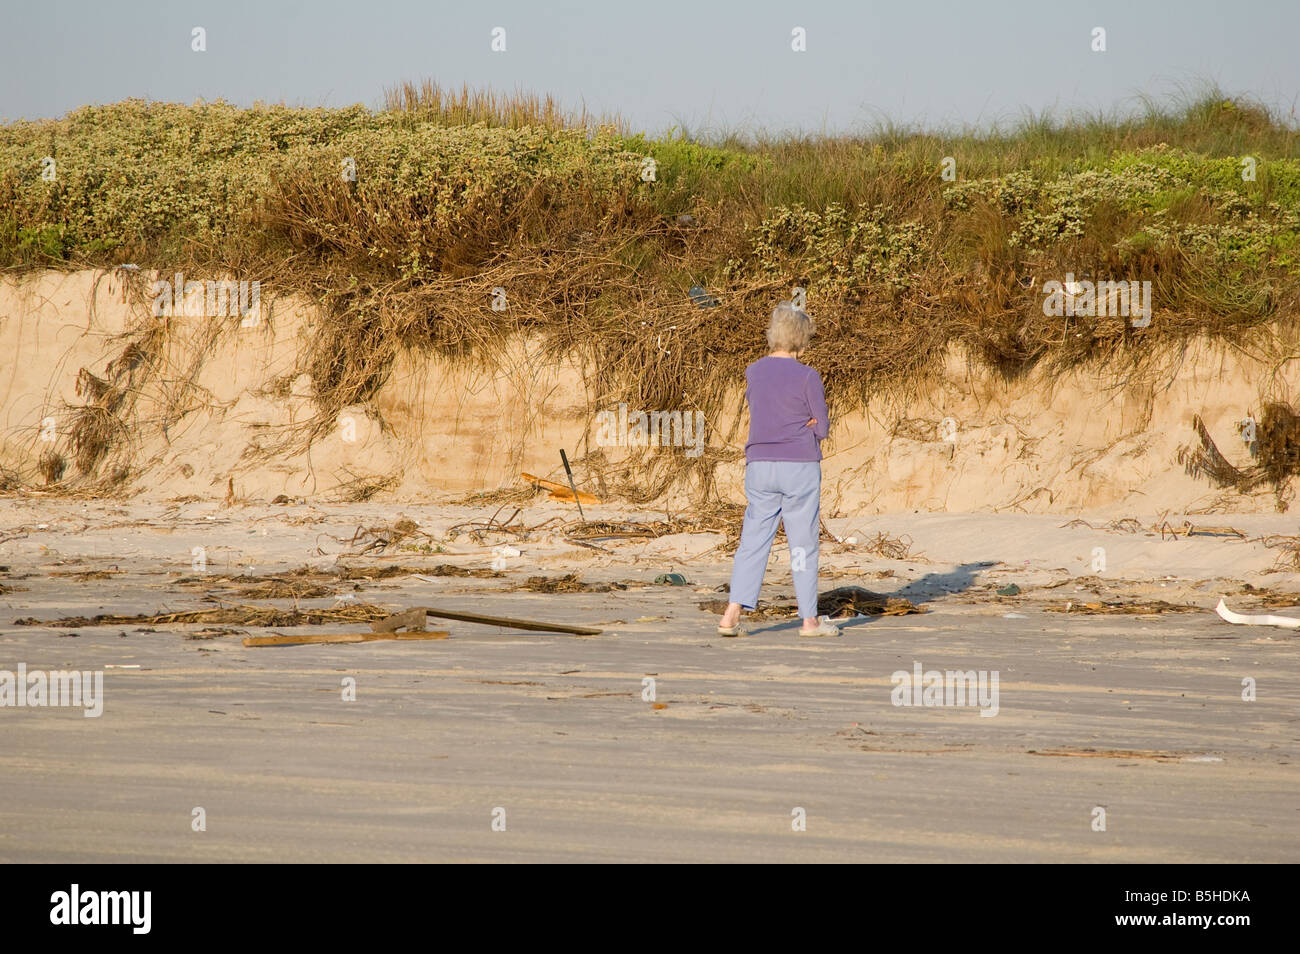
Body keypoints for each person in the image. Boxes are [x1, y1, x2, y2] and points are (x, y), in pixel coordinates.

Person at [717, 301, 839, 637]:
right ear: (802, 339)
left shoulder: (753, 371)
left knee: (753, 540)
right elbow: (823, 427)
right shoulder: (808, 375)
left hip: (759, 464)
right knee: (801, 543)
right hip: (798, 464)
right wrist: (810, 424)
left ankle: (731, 613)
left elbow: (762, 410)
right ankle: (809, 619)